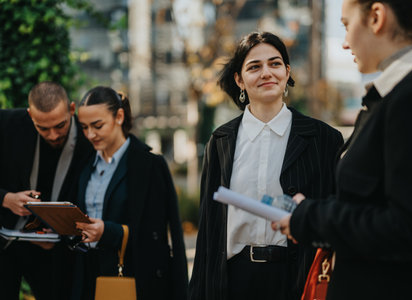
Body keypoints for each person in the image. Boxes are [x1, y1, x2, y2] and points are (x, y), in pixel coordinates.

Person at [273, 1, 412, 299]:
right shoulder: (399, 94)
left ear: (376, 17)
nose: (344, 43)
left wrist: (312, 218)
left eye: (346, 25)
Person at [188, 32, 344, 300]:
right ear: (239, 79)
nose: (266, 73)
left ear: (287, 72)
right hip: (234, 279)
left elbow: (335, 216)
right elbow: (209, 226)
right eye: (254, 67)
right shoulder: (221, 141)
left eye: (275, 64)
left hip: (298, 277)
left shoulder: (324, 139)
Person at [73, 86, 188, 300]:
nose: (90, 134)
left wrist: (108, 232)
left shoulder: (149, 165)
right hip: (87, 277)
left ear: (119, 116)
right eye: (84, 127)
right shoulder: (83, 165)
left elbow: (156, 236)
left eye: (97, 126)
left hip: (133, 279)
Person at [0, 81, 93, 299]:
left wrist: (60, 233)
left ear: (72, 110)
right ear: (30, 114)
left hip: (59, 252)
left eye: (60, 126)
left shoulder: (90, 139)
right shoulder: (7, 124)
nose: (52, 135)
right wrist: (6, 198)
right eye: (43, 127)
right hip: (5, 242)